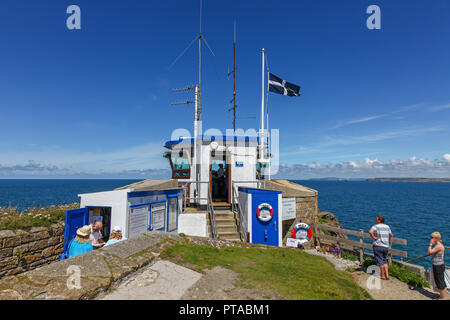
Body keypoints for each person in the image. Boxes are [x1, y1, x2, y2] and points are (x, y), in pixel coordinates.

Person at [369, 215, 393, 280]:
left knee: (380, 261)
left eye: (376, 219)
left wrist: (374, 237)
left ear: (379, 220)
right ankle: (387, 275)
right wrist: (387, 239)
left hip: (378, 245)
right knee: (384, 260)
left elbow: (370, 232)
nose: (375, 220)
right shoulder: (387, 226)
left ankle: (382, 275)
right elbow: (391, 235)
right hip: (386, 246)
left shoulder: (375, 226)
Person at [429, 232, 447, 300]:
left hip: (438, 266)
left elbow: (430, 252)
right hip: (440, 265)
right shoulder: (440, 245)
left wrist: (430, 245)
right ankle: (442, 296)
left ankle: (443, 298)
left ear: (436, 239)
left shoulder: (438, 246)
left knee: (440, 282)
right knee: (441, 281)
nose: (431, 239)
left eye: (432, 238)